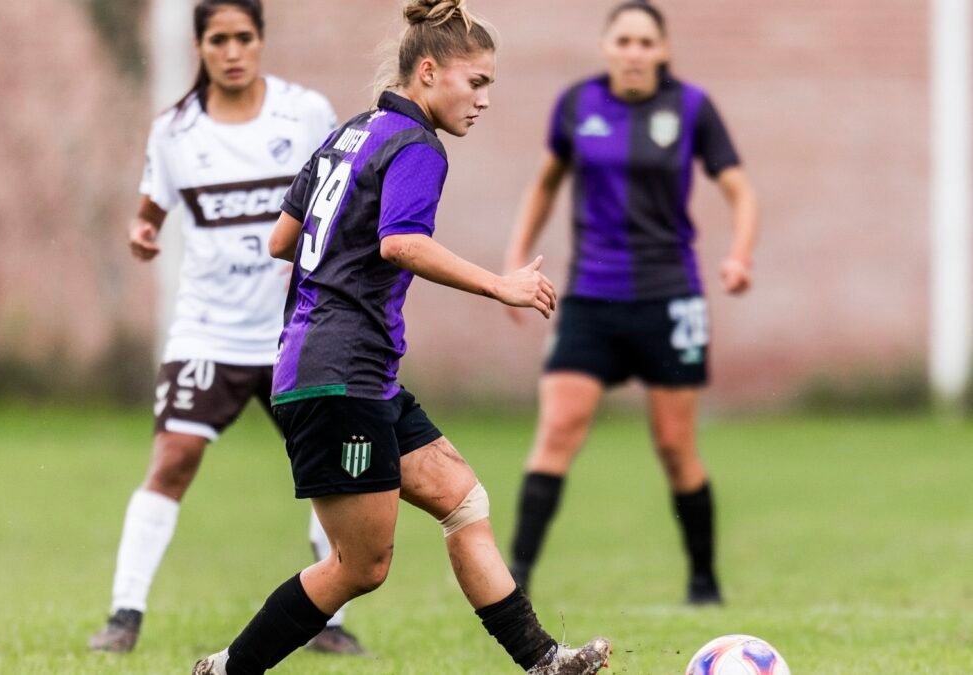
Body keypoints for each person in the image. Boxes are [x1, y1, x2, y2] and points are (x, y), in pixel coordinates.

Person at [191, 1, 611, 674]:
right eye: (476, 82)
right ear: (427, 70)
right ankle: (226, 669)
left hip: (352, 369)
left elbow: (281, 239)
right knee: (361, 566)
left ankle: (543, 660)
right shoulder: (416, 145)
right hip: (340, 373)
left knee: (461, 497)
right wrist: (498, 284)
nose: (484, 99)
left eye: (490, 86)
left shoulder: (352, 133)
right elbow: (400, 242)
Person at [88, 0, 363, 654]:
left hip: (297, 328)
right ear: (200, 46)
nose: (232, 51)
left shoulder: (306, 114)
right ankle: (124, 614)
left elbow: (343, 200)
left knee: (325, 469)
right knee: (173, 457)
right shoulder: (176, 130)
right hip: (209, 330)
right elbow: (151, 206)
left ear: (261, 40)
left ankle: (329, 622)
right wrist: (142, 229)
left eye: (244, 37)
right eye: (219, 39)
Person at [503, 0, 759, 605]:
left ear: (663, 50)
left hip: (670, 299)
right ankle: (513, 582)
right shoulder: (576, 105)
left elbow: (740, 191)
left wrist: (739, 256)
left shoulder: (692, 108)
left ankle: (704, 582)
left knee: (675, 447)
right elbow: (544, 183)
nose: (635, 52)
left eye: (647, 43)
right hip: (593, 298)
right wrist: (516, 258)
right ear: (606, 47)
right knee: (558, 430)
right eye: (624, 41)